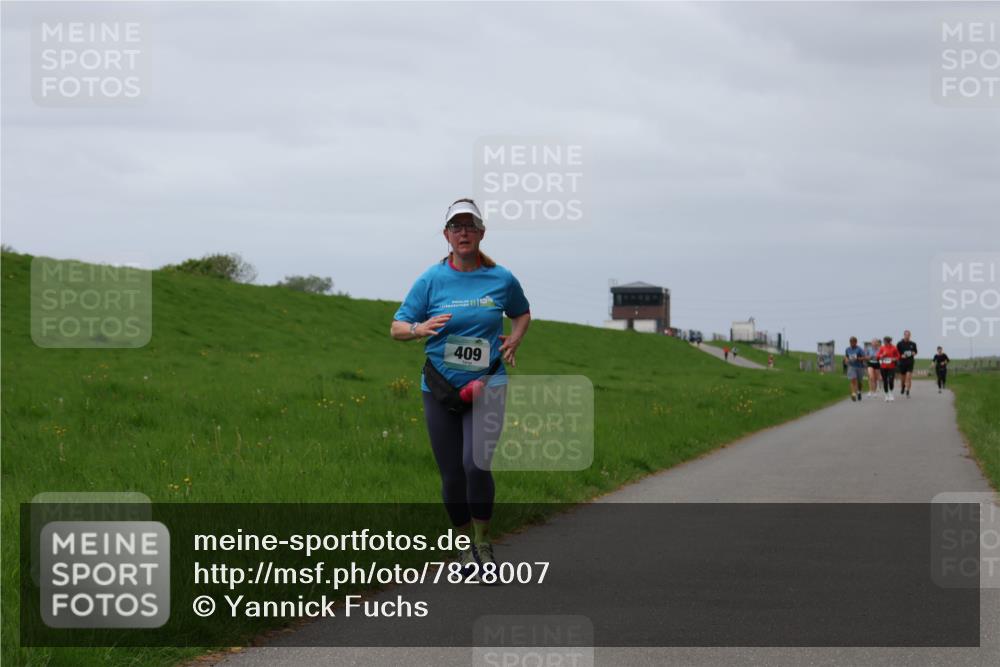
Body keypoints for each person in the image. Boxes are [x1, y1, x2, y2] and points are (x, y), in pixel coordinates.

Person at [391, 198, 531, 577]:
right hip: (439, 388)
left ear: (482, 233)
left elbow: (521, 312)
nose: (463, 232)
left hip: (488, 383)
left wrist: (515, 338)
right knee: (452, 473)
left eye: (470, 226)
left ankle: (483, 544)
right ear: (446, 235)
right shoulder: (431, 280)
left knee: (476, 464)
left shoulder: (501, 278)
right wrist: (419, 328)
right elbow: (397, 327)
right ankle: (464, 546)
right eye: (456, 226)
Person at [877, 335, 900, 402]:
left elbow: (898, 356)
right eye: (884, 341)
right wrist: (882, 355)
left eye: (885, 341)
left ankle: (891, 393)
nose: (884, 343)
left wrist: (894, 359)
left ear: (888, 341)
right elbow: (877, 356)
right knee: (885, 381)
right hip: (883, 367)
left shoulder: (894, 348)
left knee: (891, 380)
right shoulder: (882, 348)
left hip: (891, 367)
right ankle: (886, 395)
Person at [896, 330, 918, 398]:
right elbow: (896, 353)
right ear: (904, 335)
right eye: (906, 335)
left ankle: (908, 392)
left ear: (910, 336)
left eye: (908, 335)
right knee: (903, 379)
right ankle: (903, 386)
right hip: (902, 363)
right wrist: (901, 356)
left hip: (910, 362)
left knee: (908, 378)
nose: (907, 336)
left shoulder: (913, 344)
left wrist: (913, 353)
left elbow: (915, 352)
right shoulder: (899, 343)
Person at [845, 336, 866, 402]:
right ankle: (853, 394)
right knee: (853, 380)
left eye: (853, 342)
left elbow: (864, 357)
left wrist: (858, 358)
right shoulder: (847, 349)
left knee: (859, 382)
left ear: (856, 342)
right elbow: (846, 356)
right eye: (851, 342)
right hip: (851, 366)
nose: (852, 344)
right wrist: (846, 360)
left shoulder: (859, 349)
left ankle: (859, 392)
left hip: (860, 367)